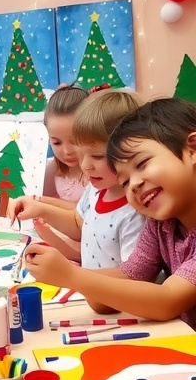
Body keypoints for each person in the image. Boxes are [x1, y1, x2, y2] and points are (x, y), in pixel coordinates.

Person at [25, 97, 196, 329]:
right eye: (124, 181)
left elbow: (167, 300)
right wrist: (71, 276)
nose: (134, 184)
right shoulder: (161, 225)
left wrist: (71, 276)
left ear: (192, 149)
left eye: (142, 163)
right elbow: (129, 278)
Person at [9, 90, 144, 303]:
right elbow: (78, 223)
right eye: (82, 155)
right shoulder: (95, 190)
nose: (85, 165)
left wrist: (71, 277)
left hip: (118, 307)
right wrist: (41, 209)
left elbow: (133, 277)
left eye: (97, 156)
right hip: (91, 298)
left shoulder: (135, 213)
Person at [41, 83, 88, 207]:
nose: (67, 151)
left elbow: (87, 214)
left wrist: (41, 204)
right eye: (56, 142)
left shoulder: (100, 172)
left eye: (75, 141)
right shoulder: (53, 168)